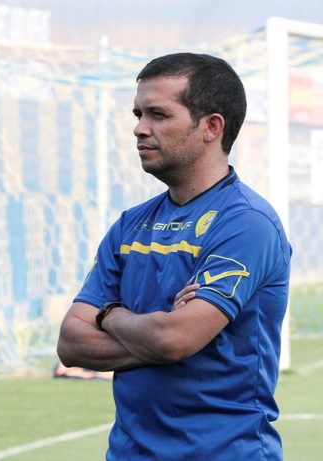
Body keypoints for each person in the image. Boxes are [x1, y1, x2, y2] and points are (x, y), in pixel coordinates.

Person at [56, 53, 291, 460]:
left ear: (212, 127)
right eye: (138, 114)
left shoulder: (246, 223)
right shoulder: (131, 225)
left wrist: (109, 315)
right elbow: (71, 343)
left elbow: (174, 339)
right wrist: (161, 336)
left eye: (158, 114)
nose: (139, 128)